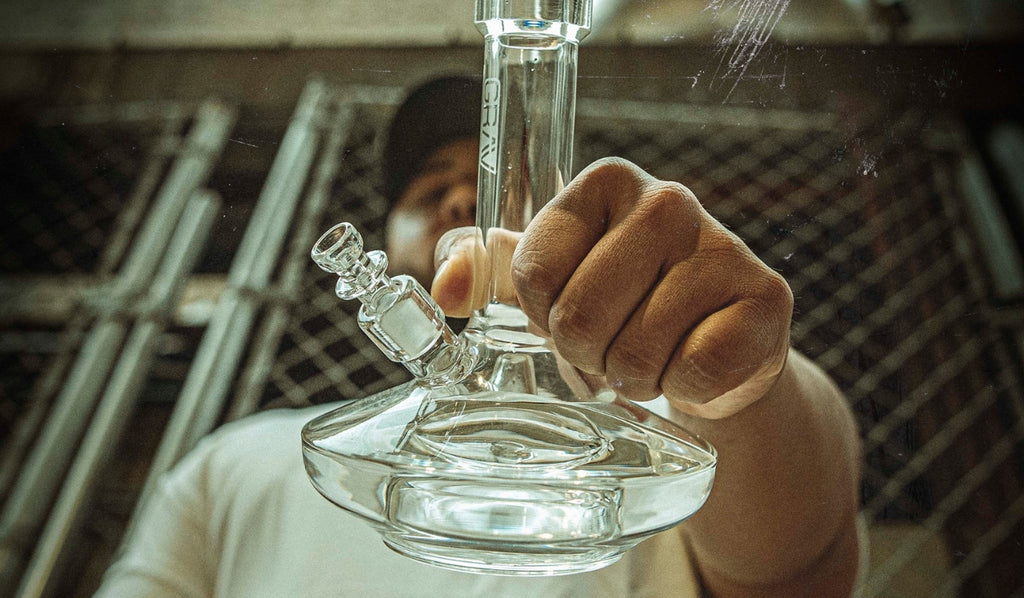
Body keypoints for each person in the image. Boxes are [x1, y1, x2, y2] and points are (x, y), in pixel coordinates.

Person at [95, 75, 862, 597]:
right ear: (391, 247)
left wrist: (740, 391)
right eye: (432, 187)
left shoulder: (640, 453)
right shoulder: (238, 465)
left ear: (585, 233)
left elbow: (798, 569)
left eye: (498, 187)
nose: (467, 197)